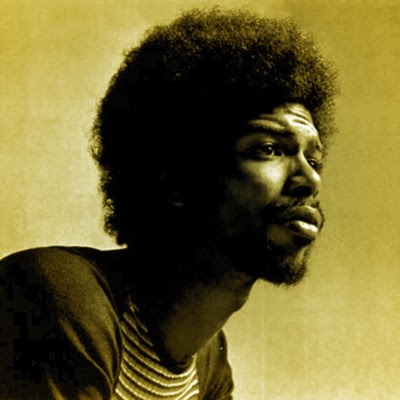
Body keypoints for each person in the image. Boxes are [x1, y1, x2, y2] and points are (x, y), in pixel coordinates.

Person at [0, 7, 337, 400]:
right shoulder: (56, 295)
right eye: (268, 149)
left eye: (314, 160)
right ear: (175, 179)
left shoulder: (209, 366)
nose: (310, 179)